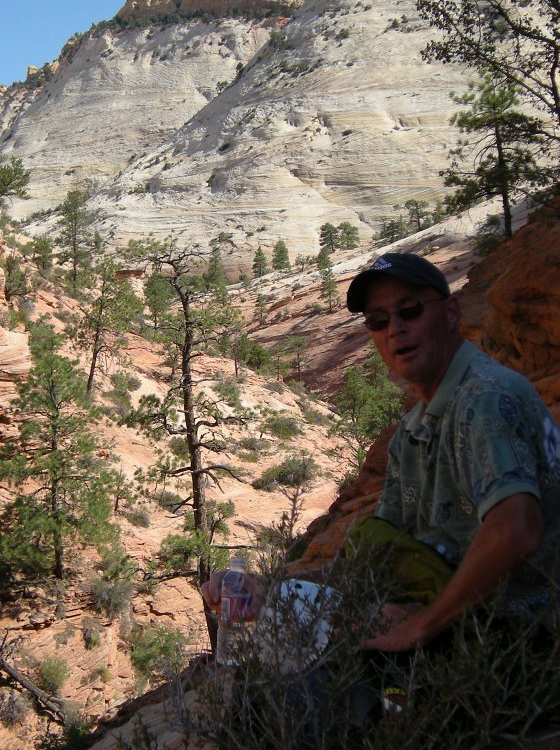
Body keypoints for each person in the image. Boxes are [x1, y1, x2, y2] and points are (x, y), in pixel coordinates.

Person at [202, 251, 560, 652]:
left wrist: (420, 626)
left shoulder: (484, 399)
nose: (396, 330)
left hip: (526, 642)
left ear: (452, 311)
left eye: (410, 310)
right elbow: (376, 555)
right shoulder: (413, 429)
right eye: (379, 320)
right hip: (473, 624)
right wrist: (269, 590)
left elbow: (515, 530)